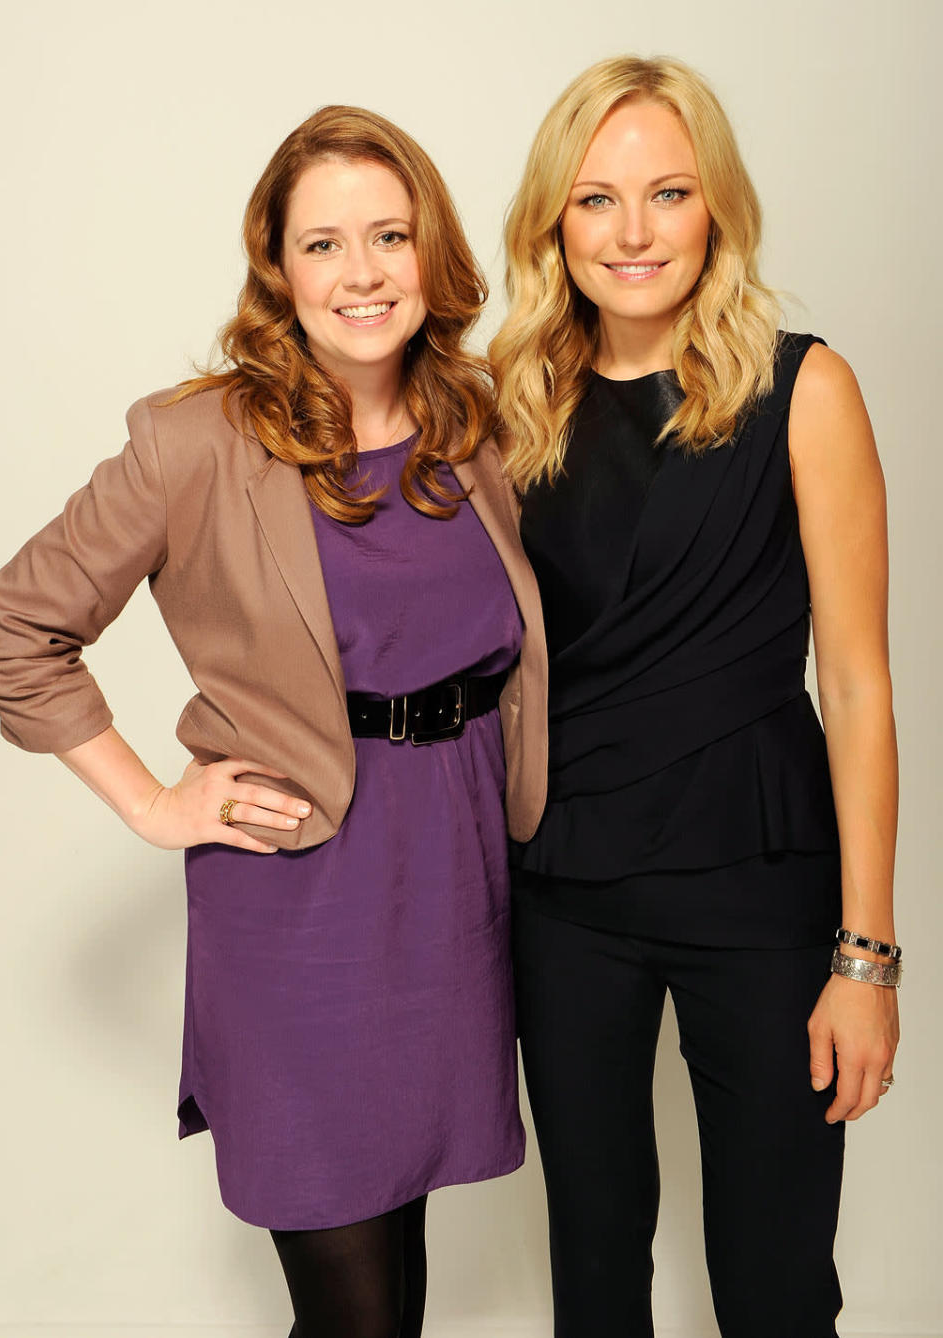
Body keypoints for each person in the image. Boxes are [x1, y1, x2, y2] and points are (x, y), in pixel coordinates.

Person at [0, 105, 547, 1338]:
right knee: (353, 1308)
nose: (361, 274)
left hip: (454, 885)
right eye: (324, 243)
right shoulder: (196, 442)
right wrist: (150, 800)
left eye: (389, 236)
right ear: (277, 269)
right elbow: (14, 626)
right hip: (303, 903)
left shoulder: (478, 421)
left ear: (429, 251)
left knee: (394, 1277)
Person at [489, 56, 899, 1338]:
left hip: (761, 888)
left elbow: (861, 685)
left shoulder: (804, 387)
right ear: (555, 219)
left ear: (715, 205)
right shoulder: (514, 408)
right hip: (566, 899)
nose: (633, 232)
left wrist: (869, 957)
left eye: (667, 193)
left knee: (778, 1287)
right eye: (597, 199)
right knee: (595, 1275)